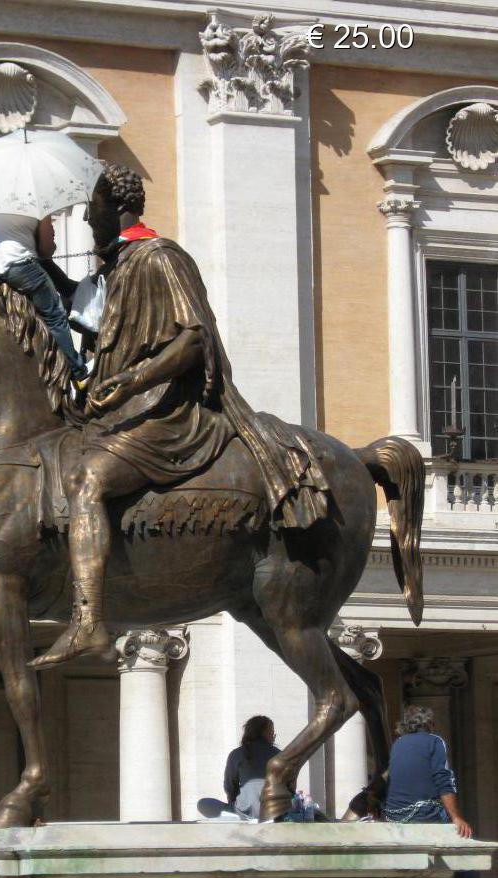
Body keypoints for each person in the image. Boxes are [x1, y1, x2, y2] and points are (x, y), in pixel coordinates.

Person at [31, 162, 329, 667]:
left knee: (86, 480)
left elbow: (194, 338)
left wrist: (132, 379)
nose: (88, 219)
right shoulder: (118, 265)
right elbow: (94, 322)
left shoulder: (159, 257)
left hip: (169, 413)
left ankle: (88, 621)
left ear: (116, 206)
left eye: (92, 208)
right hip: (122, 411)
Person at [384, 704, 489, 878]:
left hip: (394, 814)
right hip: (423, 812)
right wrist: (456, 817)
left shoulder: (398, 743)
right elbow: (443, 780)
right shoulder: (435, 741)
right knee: (465, 838)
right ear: (430, 724)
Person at [0, 212, 86, 380]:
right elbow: (45, 249)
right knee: (55, 315)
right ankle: (77, 370)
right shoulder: (37, 205)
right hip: (20, 267)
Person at [198, 715, 279, 820]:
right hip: (275, 813)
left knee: (203, 804)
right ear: (264, 733)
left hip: (244, 813)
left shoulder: (237, 754)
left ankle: (236, 816)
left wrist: (235, 804)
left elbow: (230, 787)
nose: (273, 736)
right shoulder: (280, 755)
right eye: (272, 732)